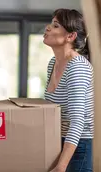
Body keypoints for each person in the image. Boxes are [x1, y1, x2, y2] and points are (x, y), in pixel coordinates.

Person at [43, 9, 94, 172]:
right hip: (58, 141)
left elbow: (77, 122)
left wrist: (61, 166)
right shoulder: (53, 63)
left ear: (70, 36)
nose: (48, 28)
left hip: (79, 145)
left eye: (55, 25)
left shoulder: (77, 67)